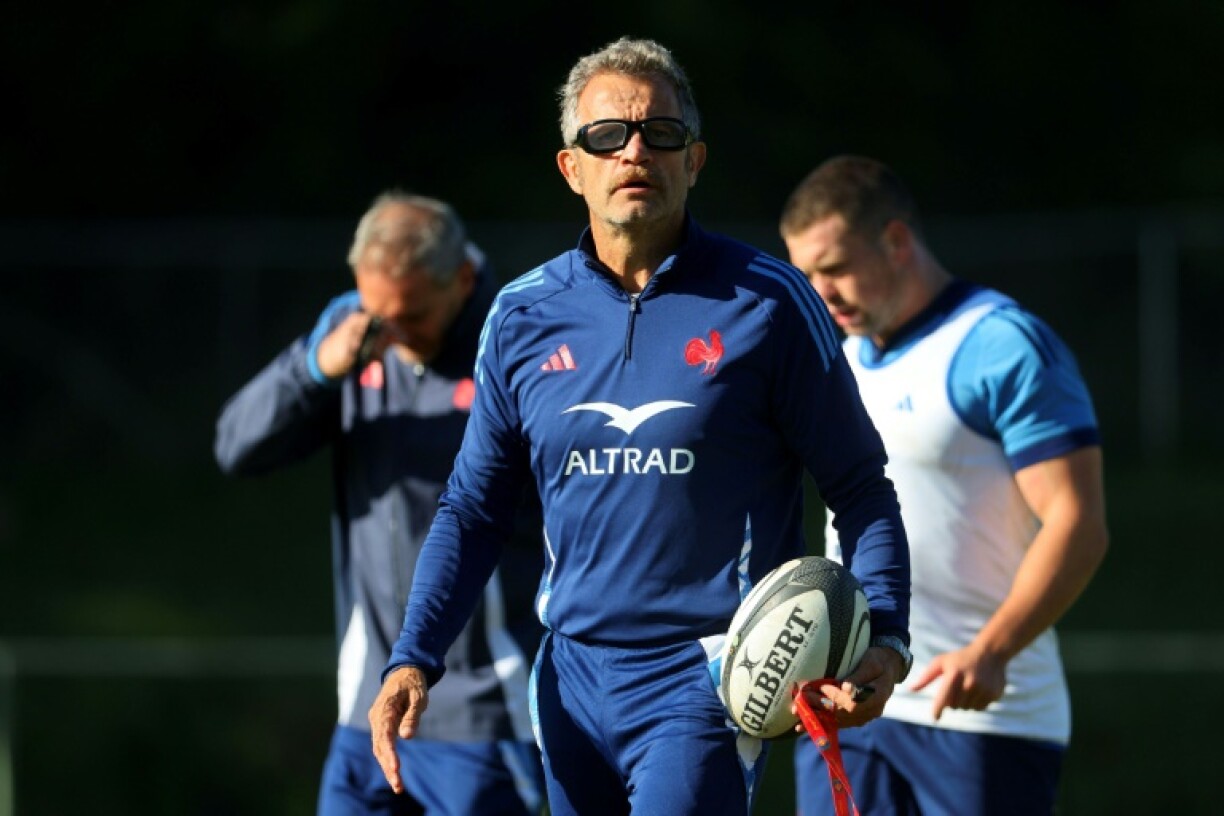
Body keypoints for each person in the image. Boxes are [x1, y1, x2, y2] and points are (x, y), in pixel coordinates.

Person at [368, 38, 912, 816]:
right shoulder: (521, 315)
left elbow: (860, 487)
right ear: (572, 167)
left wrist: (886, 635)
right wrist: (413, 656)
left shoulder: (770, 304)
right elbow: (473, 508)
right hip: (568, 678)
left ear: (694, 160)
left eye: (660, 134)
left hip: (711, 674)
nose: (634, 151)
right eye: (606, 137)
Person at [780, 155, 1109, 816]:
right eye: (807, 274)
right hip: (853, 705)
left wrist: (992, 652)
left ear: (897, 241)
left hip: (983, 720)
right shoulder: (838, 358)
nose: (822, 293)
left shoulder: (1001, 345)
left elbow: (1078, 522)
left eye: (836, 268)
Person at [214, 191, 546, 816]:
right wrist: (315, 370)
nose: (391, 334)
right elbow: (237, 447)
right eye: (378, 315)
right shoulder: (352, 332)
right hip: (366, 711)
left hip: (483, 712)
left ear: (463, 279)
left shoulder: (516, 342)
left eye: (412, 316)